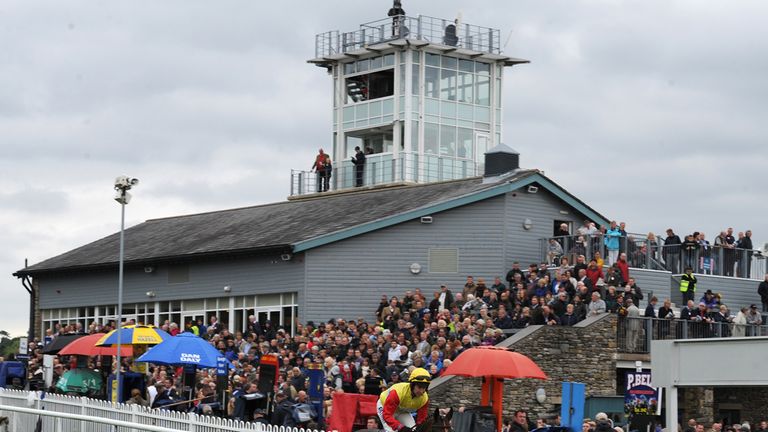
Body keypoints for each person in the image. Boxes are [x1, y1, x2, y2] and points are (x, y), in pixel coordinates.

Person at [377, 367, 430, 432]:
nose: (421, 391)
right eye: (419, 387)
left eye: (424, 388)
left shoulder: (425, 399)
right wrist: (400, 427)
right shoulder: (397, 392)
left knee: (413, 430)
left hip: (401, 410)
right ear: (412, 385)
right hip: (385, 407)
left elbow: (421, 420)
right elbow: (387, 415)